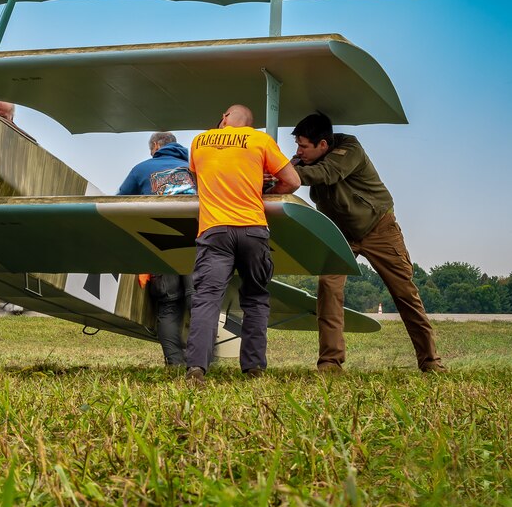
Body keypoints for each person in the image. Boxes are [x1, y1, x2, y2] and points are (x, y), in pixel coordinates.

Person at [291, 112, 444, 373]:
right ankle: (330, 362)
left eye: (303, 146)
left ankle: (430, 361)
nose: (299, 151)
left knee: (405, 293)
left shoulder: (350, 148)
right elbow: (290, 178)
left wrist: (290, 172)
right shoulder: (302, 162)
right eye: (298, 145)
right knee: (328, 288)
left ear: (323, 145)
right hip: (340, 234)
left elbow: (327, 173)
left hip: (378, 229)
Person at [184, 105, 299, 382]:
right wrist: (265, 189)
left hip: (215, 231)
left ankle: (197, 368)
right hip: (253, 230)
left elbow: (196, 180)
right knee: (256, 298)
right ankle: (254, 367)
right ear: (250, 124)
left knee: (207, 299)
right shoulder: (260, 141)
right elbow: (293, 181)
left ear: (224, 117)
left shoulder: (200, 141)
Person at [118, 132, 195, 365]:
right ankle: (200, 364)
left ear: (155, 146)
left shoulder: (141, 169)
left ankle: (175, 364)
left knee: (169, 305)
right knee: (200, 303)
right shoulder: (195, 168)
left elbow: (119, 202)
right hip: (198, 246)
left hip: (161, 247)